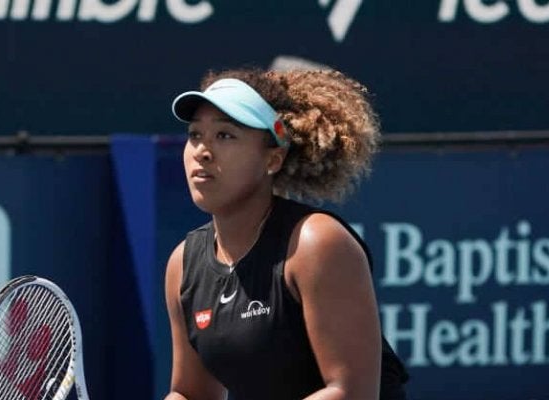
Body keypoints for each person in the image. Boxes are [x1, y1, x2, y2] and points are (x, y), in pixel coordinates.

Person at [163, 67, 409, 400]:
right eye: (195, 134)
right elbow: (192, 393)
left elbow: (351, 393)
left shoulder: (316, 244)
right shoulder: (182, 265)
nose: (202, 151)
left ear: (273, 160)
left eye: (225, 135)